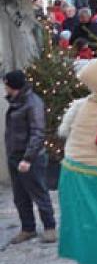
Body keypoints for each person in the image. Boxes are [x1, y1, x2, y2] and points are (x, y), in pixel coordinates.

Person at [4, 70, 57, 245]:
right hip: (14, 156)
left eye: (6, 84)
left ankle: (50, 228)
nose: (5, 87)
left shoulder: (33, 103)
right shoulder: (16, 102)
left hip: (30, 158)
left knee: (39, 193)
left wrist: (27, 158)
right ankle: (28, 228)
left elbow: (37, 133)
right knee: (20, 196)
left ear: (12, 86)